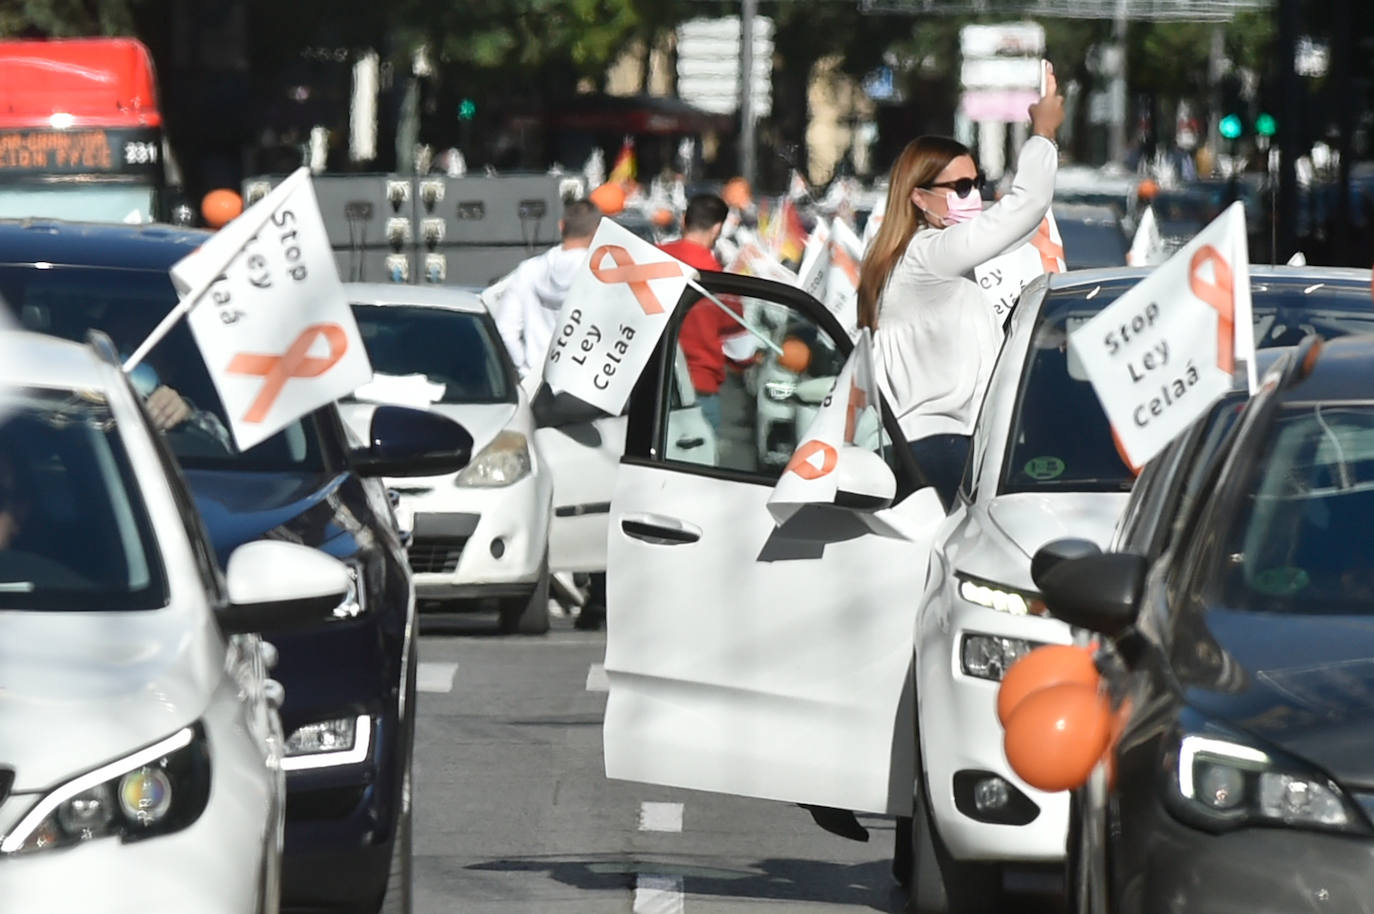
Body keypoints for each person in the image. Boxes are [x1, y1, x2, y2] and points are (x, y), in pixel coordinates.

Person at [857, 64, 1064, 512]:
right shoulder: (927, 254)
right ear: (918, 196)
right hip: (941, 447)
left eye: (978, 183)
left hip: (923, 447)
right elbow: (1023, 209)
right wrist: (1044, 134)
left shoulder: (907, 258)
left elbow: (1015, 234)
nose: (975, 196)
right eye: (962, 186)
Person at [659, 193, 753, 430]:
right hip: (697, 389)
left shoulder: (651, 259)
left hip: (649, 385)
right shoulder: (720, 282)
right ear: (717, 228)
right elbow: (741, 352)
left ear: (684, 221)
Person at [492, 198, 601, 380]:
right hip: (585, 382)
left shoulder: (528, 270)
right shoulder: (602, 275)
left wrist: (525, 370)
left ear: (561, 226)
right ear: (597, 232)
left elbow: (504, 330)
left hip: (537, 382)